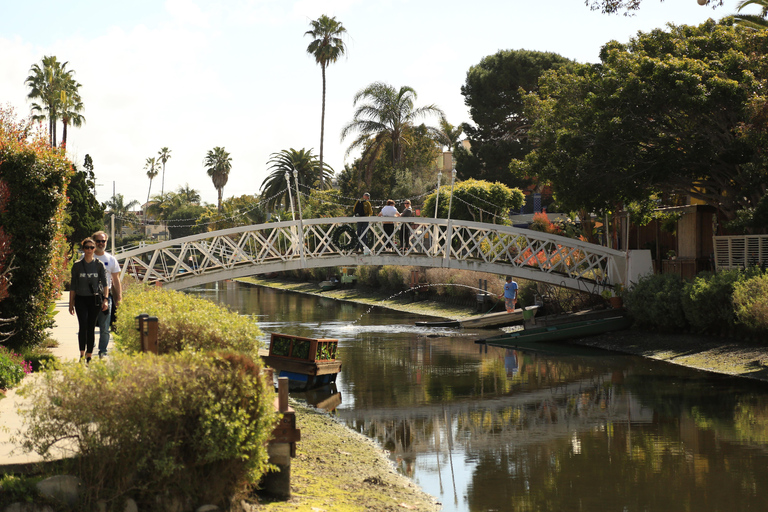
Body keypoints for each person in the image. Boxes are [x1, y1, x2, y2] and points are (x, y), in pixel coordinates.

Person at [69, 237, 109, 363]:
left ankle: (89, 355)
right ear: (83, 249)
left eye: (92, 247)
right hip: (81, 299)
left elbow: (105, 283)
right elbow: (73, 286)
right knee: (83, 326)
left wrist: (106, 300)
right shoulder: (77, 266)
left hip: (94, 300)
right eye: (87, 247)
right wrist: (71, 303)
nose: (89, 250)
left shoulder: (98, 265)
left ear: (94, 249)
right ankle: (81, 353)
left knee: (91, 327)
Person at [92, 230, 122, 358]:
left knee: (105, 326)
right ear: (94, 242)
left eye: (103, 241)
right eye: (98, 241)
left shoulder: (111, 259)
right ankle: (89, 347)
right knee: (89, 325)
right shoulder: (87, 257)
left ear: (106, 242)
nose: (100, 243)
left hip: (105, 297)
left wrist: (119, 298)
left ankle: (102, 350)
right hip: (88, 296)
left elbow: (116, 280)